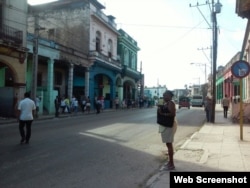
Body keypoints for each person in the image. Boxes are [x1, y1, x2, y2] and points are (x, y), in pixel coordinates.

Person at [157, 90, 177, 170]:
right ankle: (170, 162)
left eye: (165, 95)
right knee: (168, 144)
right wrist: (160, 107)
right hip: (166, 125)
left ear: (170, 96)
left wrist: (162, 114)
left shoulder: (171, 103)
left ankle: (171, 164)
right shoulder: (166, 103)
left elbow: (173, 114)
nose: (164, 97)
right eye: (163, 95)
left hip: (169, 125)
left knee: (169, 144)